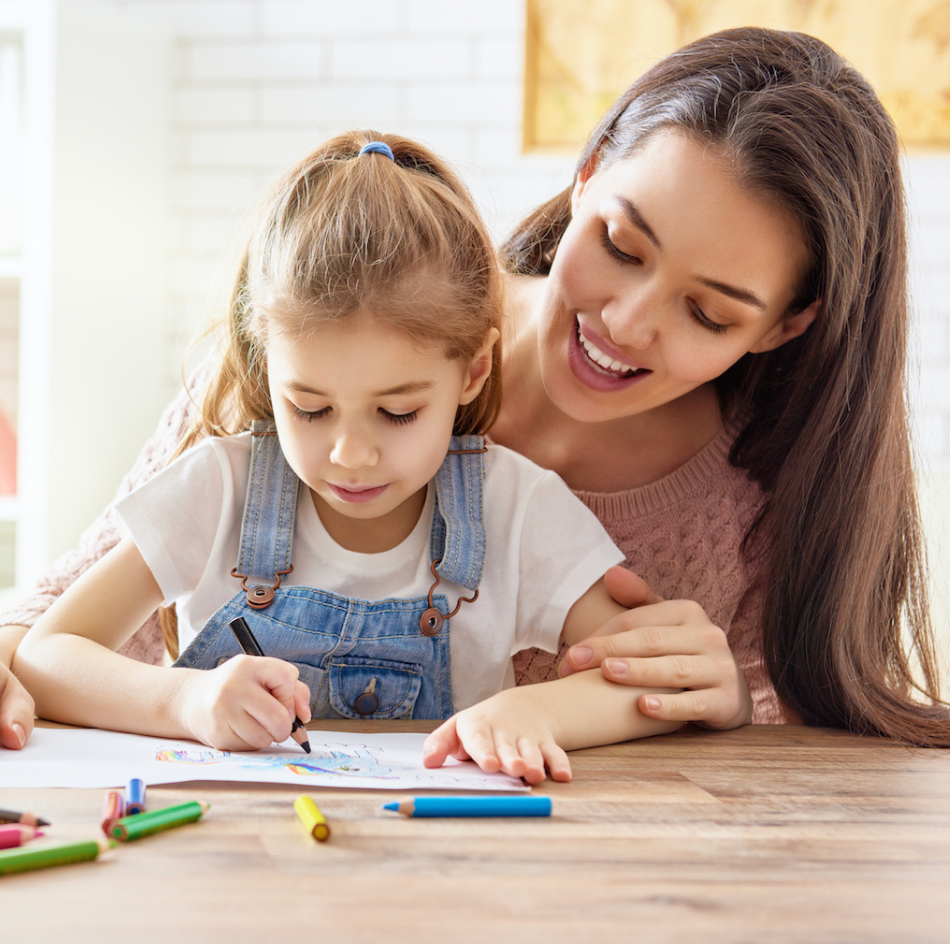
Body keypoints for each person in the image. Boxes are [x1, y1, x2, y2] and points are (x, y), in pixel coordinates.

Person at [5, 25, 948, 749]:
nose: (626, 321)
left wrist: (730, 699)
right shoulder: (340, 322)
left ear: (788, 324)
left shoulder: (749, 494)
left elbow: (780, 754)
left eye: (709, 313)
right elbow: (57, 623)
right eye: (621, 245)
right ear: (586, 172)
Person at [14, 131, 681, 784]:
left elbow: (648, 683)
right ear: (265, 365)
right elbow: (48, 655)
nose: (350, 455)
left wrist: (537, 710)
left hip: (441, 857)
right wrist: (184, 700)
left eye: (398, 413)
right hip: (227, 858)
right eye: (308, 407)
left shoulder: (515, 508)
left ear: (474, 372)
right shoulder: (221, 488)